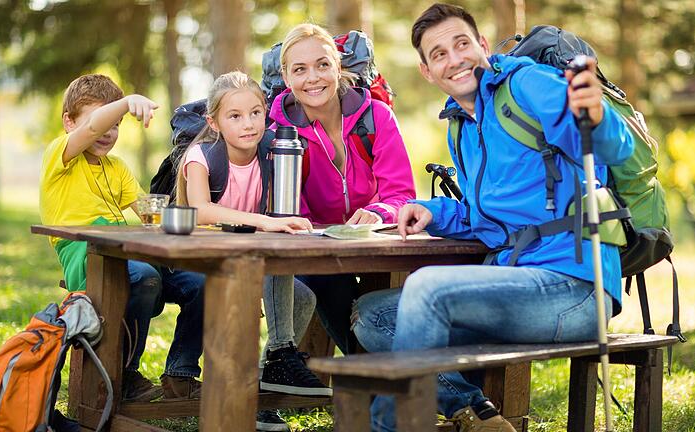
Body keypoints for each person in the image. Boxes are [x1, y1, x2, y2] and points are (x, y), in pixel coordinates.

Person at [351, 4, 635, 432]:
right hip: (516, 285)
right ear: (427, 71)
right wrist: (431, 210)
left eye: (462, 44)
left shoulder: (527, 84)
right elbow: (485, 216)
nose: (455, 58)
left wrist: (597, 115)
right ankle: (476, 411)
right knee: (372, 316)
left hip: (573, 288)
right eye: (439, 53)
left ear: (482, 46)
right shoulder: (462, 125)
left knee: (426, 288)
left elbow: (611, 148)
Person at [174, 71, 331, 432]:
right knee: (272, 281)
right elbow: (198, 210)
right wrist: (264, 220)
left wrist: (283, 221)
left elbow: (282, 207)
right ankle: (273, 363)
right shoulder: (202, 156)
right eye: (235, 116)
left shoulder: (271, 150)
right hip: (201, 259)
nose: (249, 124)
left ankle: (264, 385)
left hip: (247, 256)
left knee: (303, 297)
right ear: (214, 122)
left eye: (256, 113)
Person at [39, 74, 206, 402]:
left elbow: (150, 213)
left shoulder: (117, 168)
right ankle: (124, 373)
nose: (107, 133)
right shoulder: (60, 156)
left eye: (116, 125)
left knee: (202, 283)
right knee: (144, 277)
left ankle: (181, 373)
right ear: (69, 122)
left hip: (129, 253)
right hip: (87, 254)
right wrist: (126, 103)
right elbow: (90, 130)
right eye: (102, 122)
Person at [268, 23, 416, 354]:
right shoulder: (278, 132)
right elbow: (287, 210)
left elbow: (402, 193)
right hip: (314, 253)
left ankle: (376, 375)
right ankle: (371, 374)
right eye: (300, 69)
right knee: (325, 277)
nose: (313, 78)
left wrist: (378, 212)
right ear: (287, 77)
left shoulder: (377, 117)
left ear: (338, 66)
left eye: (323, 64)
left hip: (374, 244)